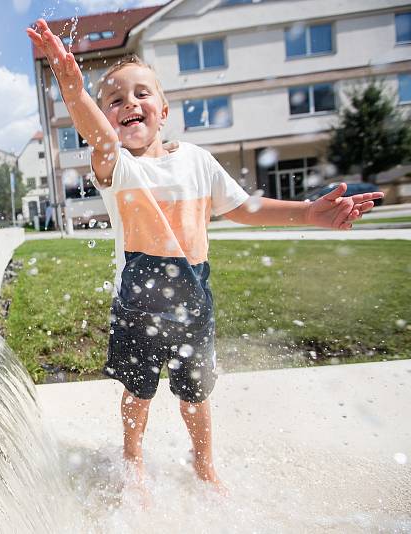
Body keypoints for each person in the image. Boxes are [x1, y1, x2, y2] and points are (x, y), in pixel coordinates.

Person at [26, 19, 383, 495]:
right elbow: (95, 132)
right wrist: (71, 85)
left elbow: (243, 208)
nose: (128, 103)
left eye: (140, 94)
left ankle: (204, 462)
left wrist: (308, 214)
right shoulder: (117, 165)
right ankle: (133, 455)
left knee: (197, 395)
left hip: (195, 304)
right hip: (138, 307)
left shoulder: (196, 160)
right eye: (114, 100)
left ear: (164, 110)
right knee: (138, 392)